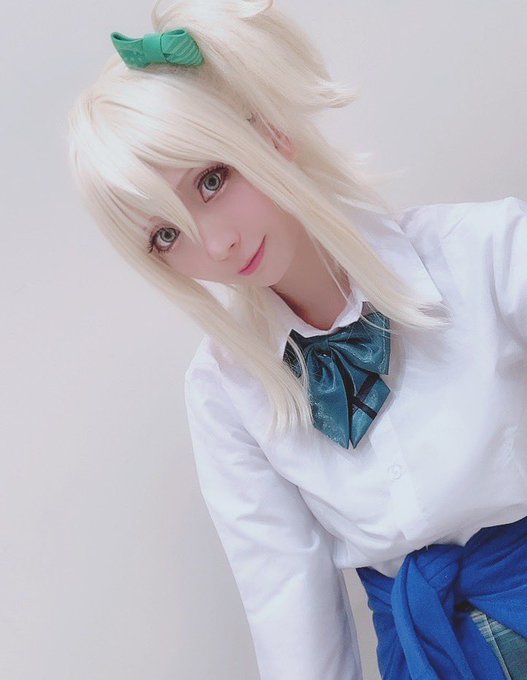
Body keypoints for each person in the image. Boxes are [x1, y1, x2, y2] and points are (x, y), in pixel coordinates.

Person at [66, 0, 527, 677]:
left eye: (211, 181)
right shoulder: (224, 391)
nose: (215, 244)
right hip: (425, 656)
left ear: (268, 131)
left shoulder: (485, 251)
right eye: (165, 235)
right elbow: (287, 603)